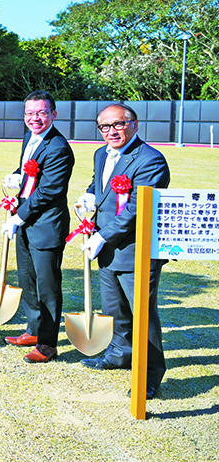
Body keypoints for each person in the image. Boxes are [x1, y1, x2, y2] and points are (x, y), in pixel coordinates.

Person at [76, 102, 170, 399]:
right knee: (115, 309)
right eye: (104, 126)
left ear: (135, 124)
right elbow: (100, 186)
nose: (111, 131)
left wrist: (103, 236)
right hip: (107, 249)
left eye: (118, 124)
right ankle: (119, 354)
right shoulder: (101, 154)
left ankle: (150, 374)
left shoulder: (151, 160)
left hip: (135, 251)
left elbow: (136, 209)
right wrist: (90, 196)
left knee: (143, 315)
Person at [1, 91, 75, 363]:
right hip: (27, 223)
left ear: (53, 115)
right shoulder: (30, 138)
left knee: (47, 287)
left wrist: (18, 217)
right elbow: (29, 173)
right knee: (27, 281)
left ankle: (47, 344)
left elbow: (48, 191)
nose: (35, 119)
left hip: (46, 226)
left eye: (41, 113)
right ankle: (33, 330)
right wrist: (15, 177)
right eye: (29, 114)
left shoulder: (58, 148)